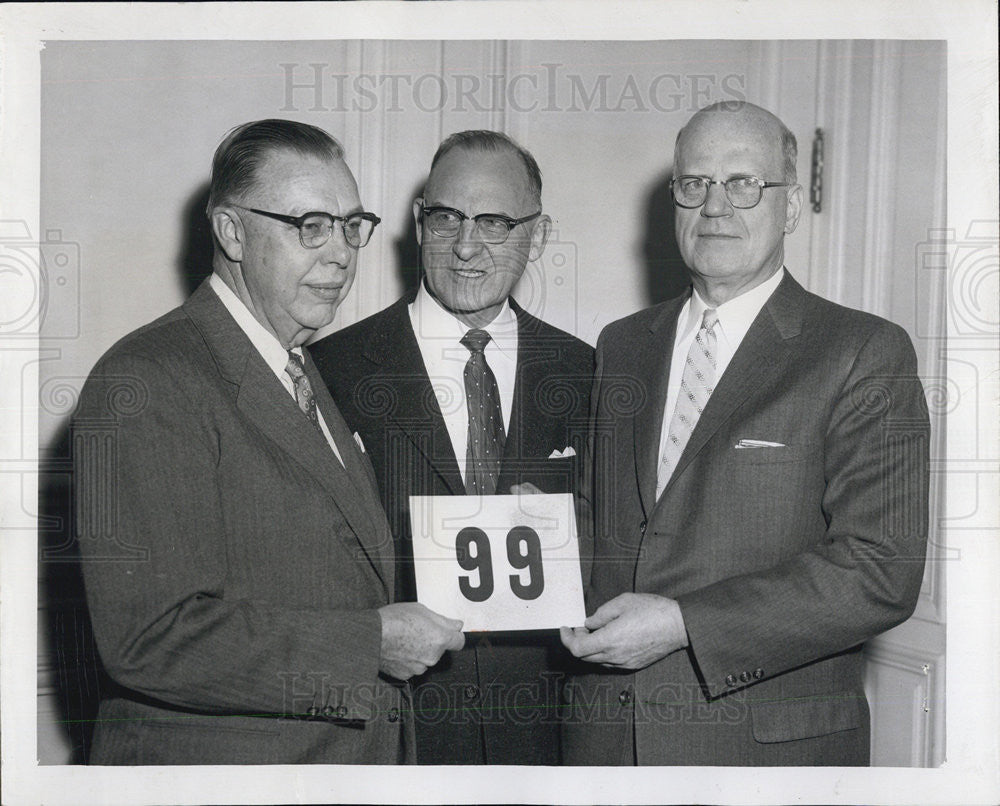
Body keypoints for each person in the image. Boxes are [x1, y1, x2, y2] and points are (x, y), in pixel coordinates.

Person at [72, 119, 464, 765]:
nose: (340, 254)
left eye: (350, 225)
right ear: (231, 231)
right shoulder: (145, 378)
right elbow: (150, 636)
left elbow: (331, 565)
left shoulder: (303, 369)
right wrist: (369, 645)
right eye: (310, 225)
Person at [560, 102, 929, 766]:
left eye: (743, 184)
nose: (715, 207)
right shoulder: (623, 345)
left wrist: (683, 624)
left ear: (789, 208)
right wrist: (534, 533)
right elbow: (599, 520)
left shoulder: (862, 351)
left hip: (765, 751)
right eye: (694, 183)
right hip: (609, 743)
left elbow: (881, 570)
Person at [311, 130, 594, 764]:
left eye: (495, 223)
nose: (466, 247)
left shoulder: (588, 374)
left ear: (539, 235)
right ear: (417, 223)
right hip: (391, 734)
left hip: (546, 736)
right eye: (446, 219)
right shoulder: (332, 370)